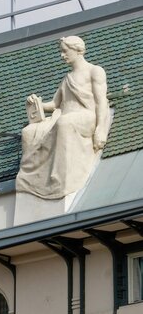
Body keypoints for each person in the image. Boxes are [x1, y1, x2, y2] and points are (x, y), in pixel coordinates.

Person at [16, 36, 109, 199]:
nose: (62, 55)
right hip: (65, 116)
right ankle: (29, 181)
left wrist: (100, 129)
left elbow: (101, 102)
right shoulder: (67, 78)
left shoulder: (94, 71)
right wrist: (36, 102)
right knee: (28, 132)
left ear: (77, 50)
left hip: (86, 117)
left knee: (64, 122)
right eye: (61, 51)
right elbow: (54, 104)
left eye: (65, 51)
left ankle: (58, 177)